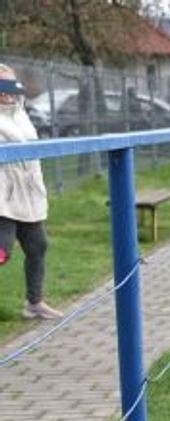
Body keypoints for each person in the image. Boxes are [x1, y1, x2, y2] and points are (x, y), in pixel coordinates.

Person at [0, 64, 63, 320]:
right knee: (2, 250)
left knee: (38, 245)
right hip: (3, 194)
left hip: (28, 194)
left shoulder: (20, 113)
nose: (7, 95)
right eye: (1, 89)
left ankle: (34, 303)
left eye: (9, 88)